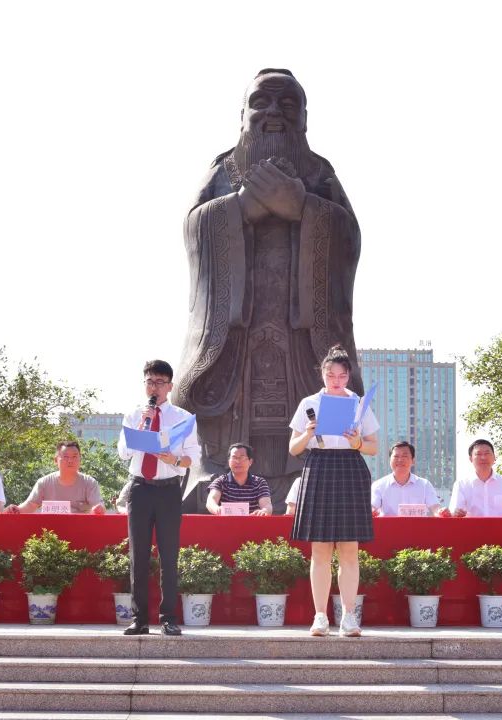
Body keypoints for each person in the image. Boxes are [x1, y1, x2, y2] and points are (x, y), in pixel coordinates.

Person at [174, 68, 364, 505]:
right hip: (236, 331)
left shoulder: (319, 173)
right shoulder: (223, 170)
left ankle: (306, 482)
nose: (274, 112)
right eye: (262, 102)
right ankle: (219, 479)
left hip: (303, 332)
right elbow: (192, 230)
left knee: (310, 406)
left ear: (304, 118)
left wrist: (304, 207)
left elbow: (350, 239)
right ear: (242, 114)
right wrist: (239, 208)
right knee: (224, 414)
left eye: (287, 103)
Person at [288, 345, 378, 638]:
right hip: (319, 468)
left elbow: (374, 447)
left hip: (350, 468)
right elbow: (293, 448)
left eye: (341, 375)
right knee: (320, 549)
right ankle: (320, 617)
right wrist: (309, 433)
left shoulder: (359, 403)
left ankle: (349, 617)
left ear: (348, 376)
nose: (335, 380)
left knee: (350, 548)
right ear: (323, 374)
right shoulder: (309, 403)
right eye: (330, 375)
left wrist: (357, 444)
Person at [117, 359, 200, 636]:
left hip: (167, 489)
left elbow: (192, 458)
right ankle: (139, 619)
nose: (155, 387)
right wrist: (141, 429)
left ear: (170, 386)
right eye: (150, 382)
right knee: (138, 554)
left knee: (169, 554)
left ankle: (168, 618)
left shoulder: (183, 418)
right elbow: (123, 454)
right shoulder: (133, 415)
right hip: (139, 488)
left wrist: (173, 458)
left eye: (160, 382)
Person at [5, 441, 105, 514]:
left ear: (80, 459)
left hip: (80, 530)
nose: (70, 460)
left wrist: (98, 509)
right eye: (65, 457)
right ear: (55, 460)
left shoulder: (89, 483)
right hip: (50, 531)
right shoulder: (44, 482)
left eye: (74, 456)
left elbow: (98, 506)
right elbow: (30, 505)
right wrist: (16, 510)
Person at [370, 441, 449, 517]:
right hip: (388, 529)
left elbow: (435, 507)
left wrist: (441, 512)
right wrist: (372, 511)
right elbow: (372, 506)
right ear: (390, 460)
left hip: (417, 529)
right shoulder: (379, 485)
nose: (400, 460)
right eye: (396, 456)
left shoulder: (424, 485)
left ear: (413, 460)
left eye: (404, 456)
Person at [448, 439, 502, 517]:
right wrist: (455, 513)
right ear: (470, 459)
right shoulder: (462, 485)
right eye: (478, 454)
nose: (483, 457)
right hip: (472, 528)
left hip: (501, 529)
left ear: (494, 457)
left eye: (487, 453)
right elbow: (454, 512)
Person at [206, 443, 273, 515]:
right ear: (229, 461)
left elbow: (267, 504)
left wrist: (264, 511)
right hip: (226, 524)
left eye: (242, 458)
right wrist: (217, 509)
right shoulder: (220, 481)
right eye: (234, 458)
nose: (237, 461)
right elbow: (211, 500)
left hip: (252, 524)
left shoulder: (259, 483)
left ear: (250, 462)